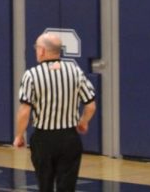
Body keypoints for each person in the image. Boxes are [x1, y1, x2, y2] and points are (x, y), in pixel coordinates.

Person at [13, 32, 97, 192]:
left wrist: (19, 136)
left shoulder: (31, 75)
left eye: (36, 48)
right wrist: (83, 122)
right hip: (69, 138)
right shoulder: (75, 71)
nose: (36, 51)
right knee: (67, 187)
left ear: (42, 50)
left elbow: (24, 111)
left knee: (45, 186)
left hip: (44, 140)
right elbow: (91, 105)